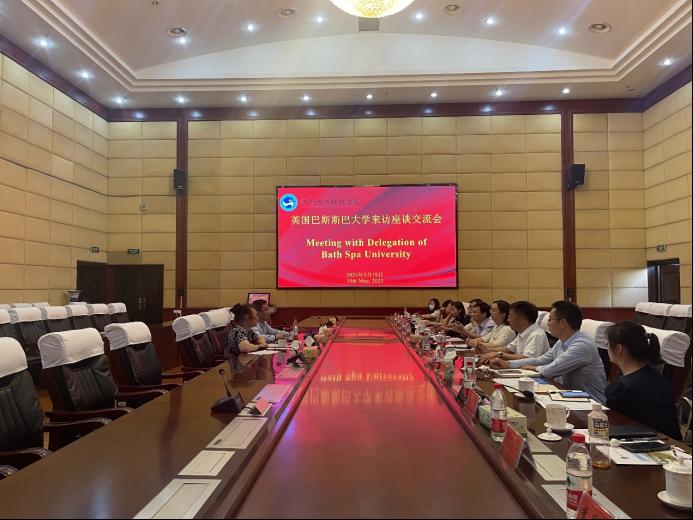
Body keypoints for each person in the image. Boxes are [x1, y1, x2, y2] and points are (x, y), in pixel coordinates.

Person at [490, 300, 607, 403]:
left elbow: (551, 369)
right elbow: (541, 360)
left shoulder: (582, 345)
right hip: (568, 395)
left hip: (592, 404)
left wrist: (534, 368)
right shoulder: (562, 341)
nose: (547, 324)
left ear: (562, 323)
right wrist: (508, 364)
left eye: (550, 320)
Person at [604, 321, 681, 439]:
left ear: (618, 348)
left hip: (650, 443)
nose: (606, 347)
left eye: (608, 343)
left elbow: (613, 425)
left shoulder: (624, 388)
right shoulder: (656, 377)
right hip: (673, 443)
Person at [478, 301, 549, 364]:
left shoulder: (537, 335)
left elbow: (527, 359)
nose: (508, 320)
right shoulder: (522, 332)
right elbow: (508, 349)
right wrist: (487, 350)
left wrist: (498, 354)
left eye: (510, 316)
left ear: (522, 320)